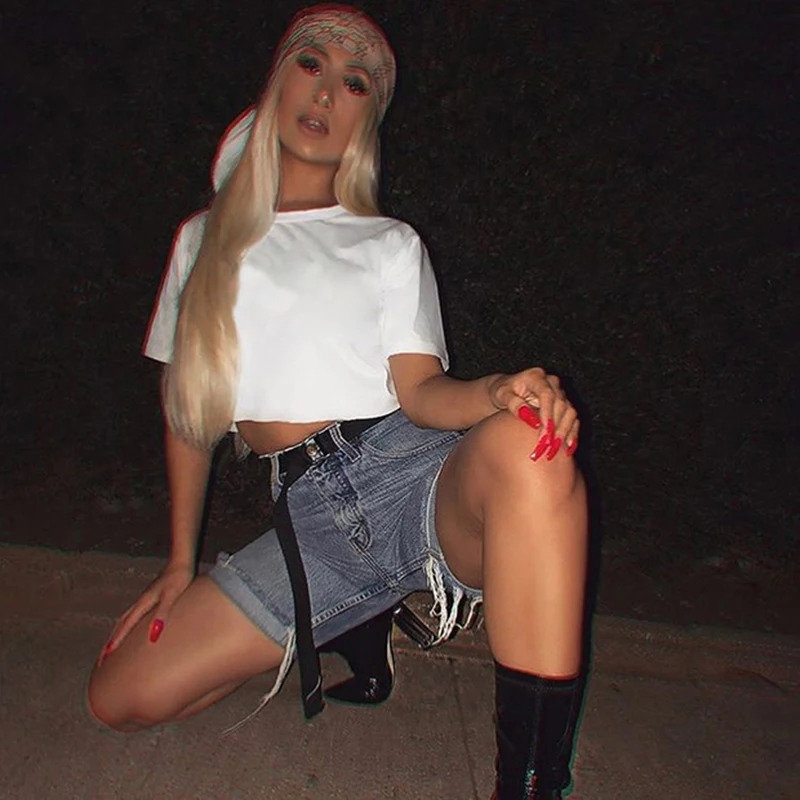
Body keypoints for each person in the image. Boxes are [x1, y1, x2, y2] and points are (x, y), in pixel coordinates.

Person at [87, 5, 589, 799]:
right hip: (312, 527)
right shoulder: (202, 241)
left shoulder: (388, 242)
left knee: (532, 446)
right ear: (276, 83)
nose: (326, 93)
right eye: (310, 64)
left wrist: (497, 392)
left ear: (365, 122)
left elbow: (421, 393)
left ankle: (532, 787)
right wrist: (179, 564)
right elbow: (189, 421)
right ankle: (352, 623)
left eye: (354, 84)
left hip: (408, 475)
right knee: (118, 696)